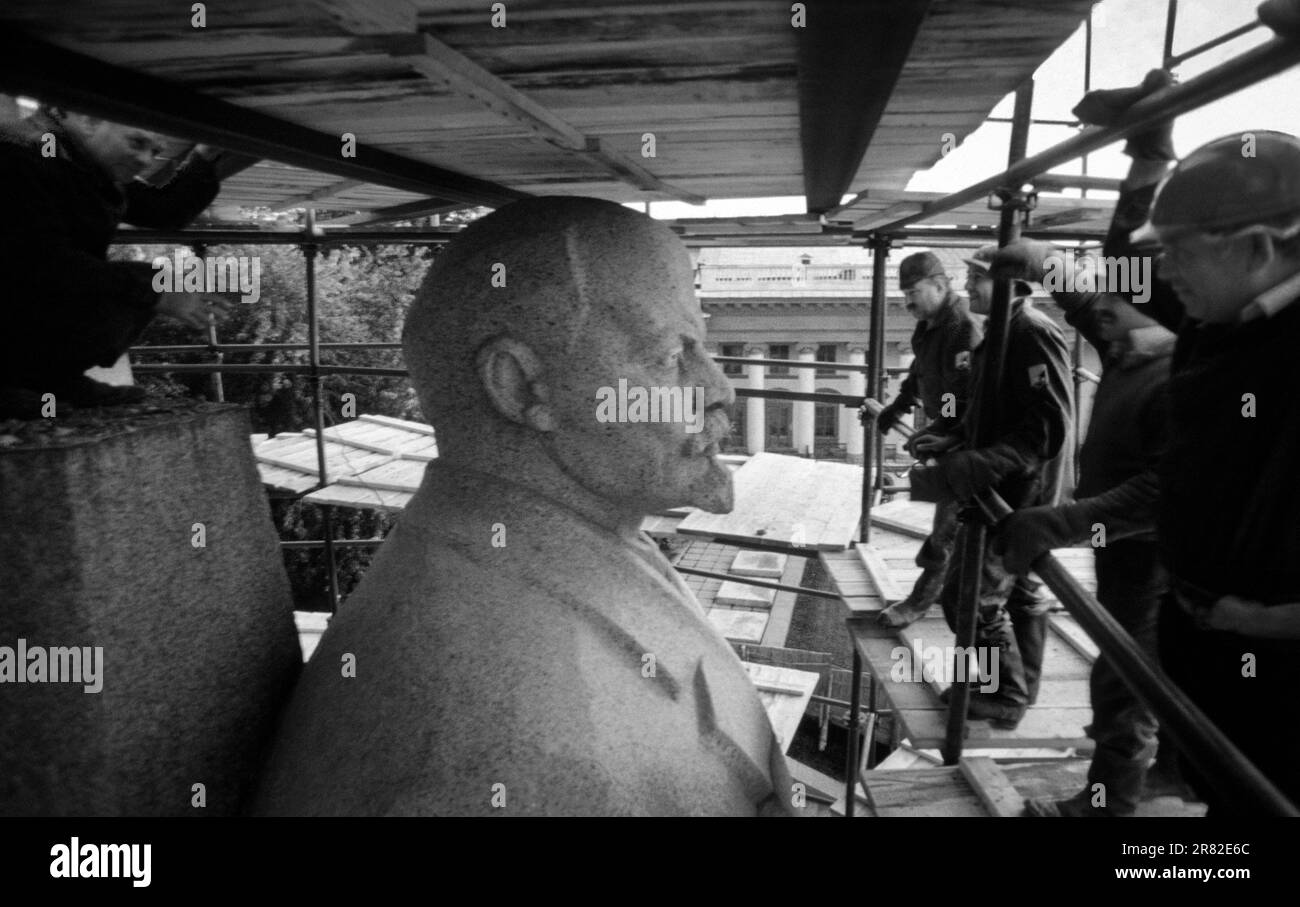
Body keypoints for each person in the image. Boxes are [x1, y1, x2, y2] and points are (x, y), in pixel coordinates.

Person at [253, 197, 799, 816]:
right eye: (672, 358)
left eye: (701, 349)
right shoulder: (493, 731)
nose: (720, 392)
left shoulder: (575, 547)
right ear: (520, 387)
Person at [1070, 71, 1300, 814]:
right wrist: (1149, 152)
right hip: (1206, 638)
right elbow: (1134, 278)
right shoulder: (1226, 311)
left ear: (1260, 246)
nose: (1161, 270)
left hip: (1281, 666)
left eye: (1178, 251)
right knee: (1220, 796)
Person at [989, 237, 1175, 816]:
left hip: (1155, 560)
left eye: (1121, 296)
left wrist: (1060, 521)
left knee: (1125, 684)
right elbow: (1089, 306)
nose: (1106, 310)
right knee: (1133, 675)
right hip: (1123, 552)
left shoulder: (1174, 378)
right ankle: (1169, 780)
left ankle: (1109, 806)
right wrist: (1048, 263)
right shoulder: (1134, 347)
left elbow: (1158, 493)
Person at [909, 246, 1073, 728]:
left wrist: (966, 465)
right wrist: (954, 434)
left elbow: (1043, 431)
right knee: (1019, 589)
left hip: (1021, 493)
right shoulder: (1001, 333)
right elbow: (996, 411)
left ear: (1012, 287)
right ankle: (1018, 689)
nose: (967, 288)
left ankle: (1001, 694)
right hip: (1011, 486)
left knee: (967, 595)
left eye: (976, 278)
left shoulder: (1031, 335)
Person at [0, 106, 230, 419]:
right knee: (145, 283)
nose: (147, 160)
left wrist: (205, 154)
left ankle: (48, 383)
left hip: (23, 308)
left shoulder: (78, 160)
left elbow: (164, 210)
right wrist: (154, 290)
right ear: (88, 120)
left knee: (148, 283)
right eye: (137, 143)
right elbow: (40, 263)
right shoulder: (22, 154)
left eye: (155, 151)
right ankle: (24, 384)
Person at [876, 251, 983, 628]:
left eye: (913, 292)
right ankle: (952, 588)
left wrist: (944, 429)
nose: (907, 303)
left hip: (972, 442)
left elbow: (961, 391)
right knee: (953, 522)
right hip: (952, 434)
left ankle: (922, 600)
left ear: (939, 285)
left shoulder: (959, 327)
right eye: (904, 294)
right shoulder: (930, 325)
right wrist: (900, 406)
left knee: (948, 527)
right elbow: (920, 369)